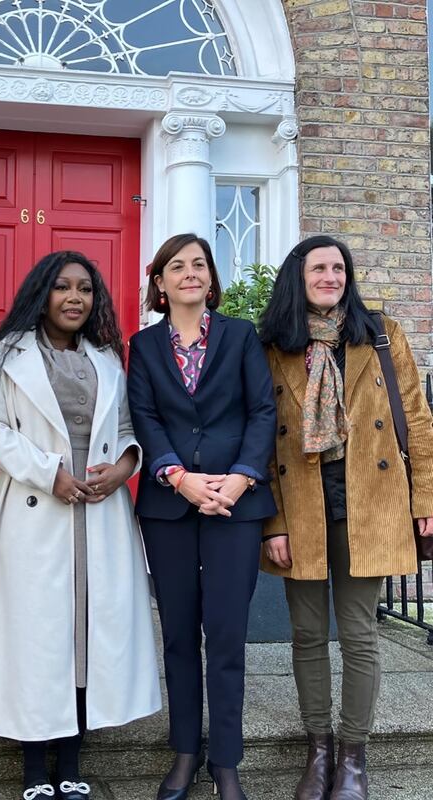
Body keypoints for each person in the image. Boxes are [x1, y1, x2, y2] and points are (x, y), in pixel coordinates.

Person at [0, 251, 161, 800]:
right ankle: (35, 768)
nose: (74, 298)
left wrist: (124, 467)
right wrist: (47, 472)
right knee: (37, 635)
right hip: (35, 507)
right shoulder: (5, 354)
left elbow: (127, 429)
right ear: (42, 294)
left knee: (84, 631)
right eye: (62, 287)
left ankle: (73, 759)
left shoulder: (106, 357)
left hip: (98, 510)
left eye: (84, 289)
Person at [259, 235, 433, 800]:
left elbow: (419, 422)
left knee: (359, 634)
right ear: (298, 276)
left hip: (371, 500)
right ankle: (318, 751)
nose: (331, 276)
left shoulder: (380, 334)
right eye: (319, 268)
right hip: (301, 502)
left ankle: (353, 758)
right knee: (308, 635)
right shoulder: (275, 345)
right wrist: (272, 522)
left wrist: (426, 502)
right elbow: (261, 441)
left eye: (339, 268)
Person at [127, 233, 277, 800]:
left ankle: (227, 760)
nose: (189, 273)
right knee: (179, 638)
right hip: (170, 505)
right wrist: (180, 479)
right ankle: (186, 752)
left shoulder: (241, 337)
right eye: (176, 267)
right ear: (160, 284)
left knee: (228, 635)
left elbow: (263, 411)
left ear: (211, 279)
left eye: (199, 265)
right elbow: (146, 418)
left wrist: (238, 480)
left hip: (235, 506)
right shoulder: (143, 347)